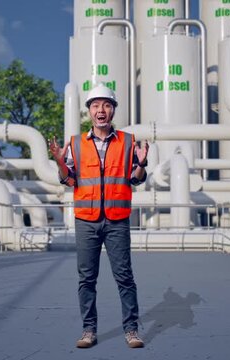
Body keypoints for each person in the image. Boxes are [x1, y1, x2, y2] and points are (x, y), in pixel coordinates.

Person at [49, 83, 148, 349]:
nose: (100, 110)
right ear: (89, 112)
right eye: (95, 105)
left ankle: (131, 330)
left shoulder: (128, 142)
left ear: (113, 110)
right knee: (87, 278)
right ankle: (89, 331)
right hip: (87, 220)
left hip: (117, 220)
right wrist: (60, 161)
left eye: (106, 105)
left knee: (124, 277)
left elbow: (135, 180)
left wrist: (140, 163)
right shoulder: (76, 144)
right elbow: (69, 181)